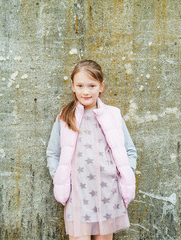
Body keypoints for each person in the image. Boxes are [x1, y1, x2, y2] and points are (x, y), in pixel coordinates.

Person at [46, 60, 137, 240]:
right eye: (80, 85)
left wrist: (125, 176)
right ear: (72, 86)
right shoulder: (65, 117)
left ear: (101, 86)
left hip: (108, 194)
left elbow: (129, 150)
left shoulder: (113, 115)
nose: (85, 91)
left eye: (92, 85)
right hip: (78, 196)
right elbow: (53, 153)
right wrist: (61, 179)